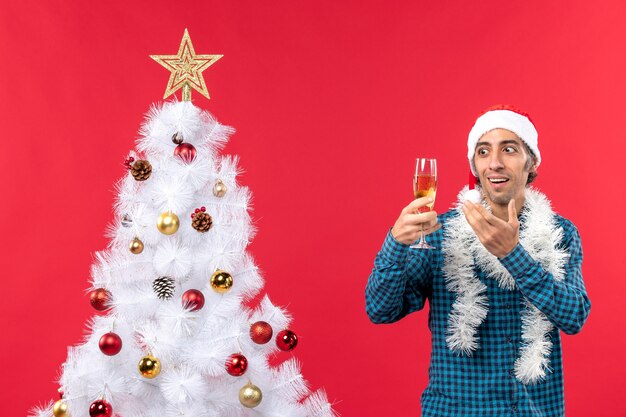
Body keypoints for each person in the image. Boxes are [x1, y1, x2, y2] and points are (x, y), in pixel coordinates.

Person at [365, 105, 591, 417]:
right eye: (483, 151)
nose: (494, 163)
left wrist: (513, 256)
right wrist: (395, 244)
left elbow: (574, 316)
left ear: (532, 162)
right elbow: (380, 310)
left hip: (532, 411)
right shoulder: (438, 233)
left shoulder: (560, 233)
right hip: (454, 411)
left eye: (509, 149)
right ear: (474, 164)